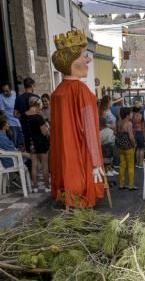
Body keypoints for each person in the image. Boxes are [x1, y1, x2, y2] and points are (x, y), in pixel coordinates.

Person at [50, 29, 105, 208]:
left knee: (68, 198)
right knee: (81, 200)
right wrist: (96, 163)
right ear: (72, 62)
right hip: (81, 154)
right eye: (83, 56)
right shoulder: (83, 92)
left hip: (63, 154)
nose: (88, 60)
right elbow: (89, 129)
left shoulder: (57, 92)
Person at [21, 96, 50, 193]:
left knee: (34, 165)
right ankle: (47, 187)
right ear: (37, 104)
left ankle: (35, 187)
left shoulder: (23, 116)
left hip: (30, 142)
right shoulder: (38, 117)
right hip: (41, 142)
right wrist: (47, 126)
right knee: (45, 165)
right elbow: (44, 132)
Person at [115, 107, 136, 191]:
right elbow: (131, 137)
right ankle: (131, 185)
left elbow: (117, 133)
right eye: (131, 113)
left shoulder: (119, 122)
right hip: (128, 146)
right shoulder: (129, 123)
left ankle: (121, 184)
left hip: (121, 146)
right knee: (130, 165)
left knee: (122, 165)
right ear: (127, 115)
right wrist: (134, 144)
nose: (132, 114)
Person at [131, 102, 145, 168]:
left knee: (137, 149)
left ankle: (137, 163)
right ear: (140, 109)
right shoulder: (141, 115)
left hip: (134, 132)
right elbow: (142, 126)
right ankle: (141, 163)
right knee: (141, 148)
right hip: (140, 132)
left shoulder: (132, 115)